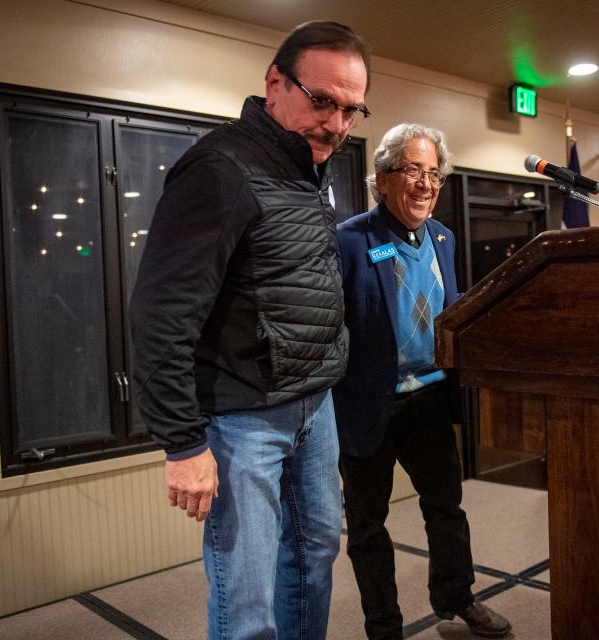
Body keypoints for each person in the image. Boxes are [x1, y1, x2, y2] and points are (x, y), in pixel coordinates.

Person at [128, 21, 371, 640]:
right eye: (322, 102)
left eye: (351, 110)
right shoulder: (220, 168)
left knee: (315, 559)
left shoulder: (309, 167)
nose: (337, 125)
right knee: (248, 598)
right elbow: (161, 314)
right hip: (243, 419)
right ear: (274, 82)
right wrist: (183, 443)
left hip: (315, 405)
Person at [334, 124, 512, 639]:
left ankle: (457, 597)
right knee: (368, 528)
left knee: (447, 509)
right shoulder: (350, 240)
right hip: (369, 406)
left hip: (430, 398)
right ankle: (384, 628)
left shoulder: (442, 238)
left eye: (434, 173)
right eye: (413, 170)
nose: (425, 183)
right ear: (384, 178)